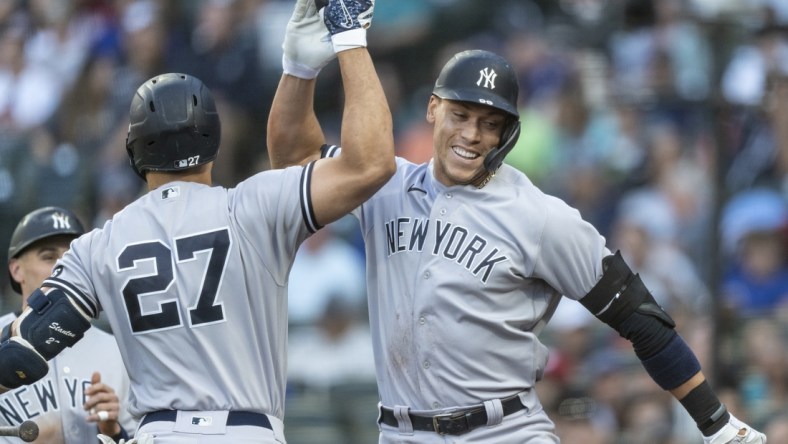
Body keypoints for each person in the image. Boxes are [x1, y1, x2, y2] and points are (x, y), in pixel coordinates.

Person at [266, 5, 768, 443]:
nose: (473, 134)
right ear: (433, 110)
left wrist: (715, 422)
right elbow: (294, 158)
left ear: (509, 132)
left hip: (501, 430)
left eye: (490, 124)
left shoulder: (538, 215)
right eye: (461, 115)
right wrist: (299, 69)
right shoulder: (383, 181)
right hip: (398, 432)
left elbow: (640, 318)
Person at [0, 0, 393, 442]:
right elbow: (370, 165)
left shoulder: (99, 243)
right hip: (247, 432)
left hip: (158, 434)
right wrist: (342, 44)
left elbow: (24, 347)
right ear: (213, 140)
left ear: (135, 150)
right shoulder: (254, 206)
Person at [3, 206, 136, 444]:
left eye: (71, 258)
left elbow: (135, 438)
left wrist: (112, 430)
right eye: (48, 256)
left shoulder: (116, 349)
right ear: (16, 269)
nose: (62, 268)